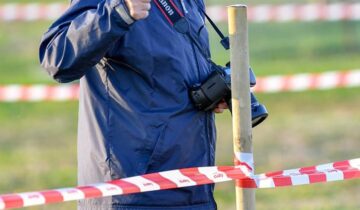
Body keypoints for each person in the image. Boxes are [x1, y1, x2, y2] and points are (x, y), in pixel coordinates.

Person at [39, 0, 227, 209]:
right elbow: (56, 57)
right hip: (131, 192)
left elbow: (171, 67)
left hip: (193, 186)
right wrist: (119, 12)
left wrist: (212, 90)